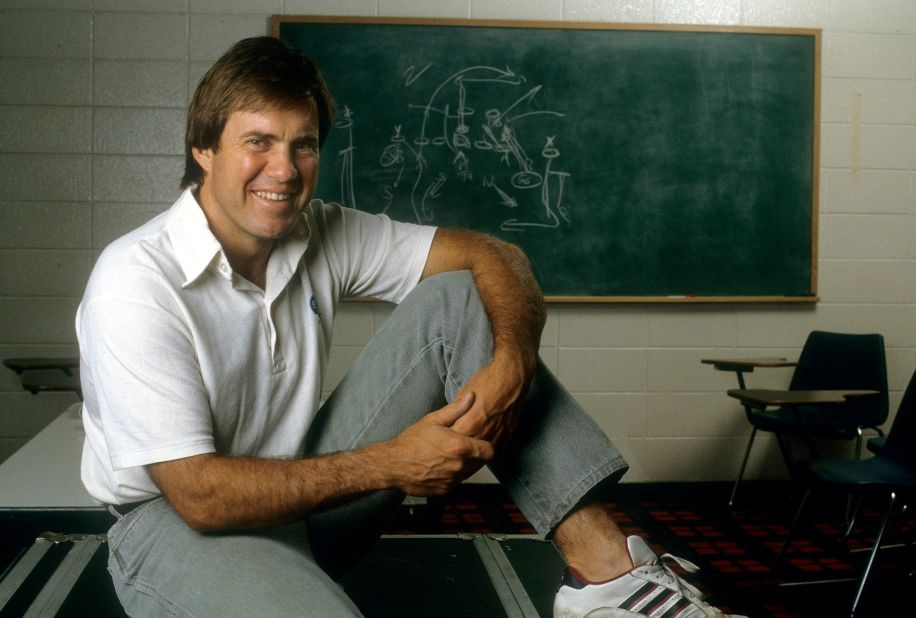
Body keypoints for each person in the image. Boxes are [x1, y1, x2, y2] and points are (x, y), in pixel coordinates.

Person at [76, 36, 743, 618]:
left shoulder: (318, 232)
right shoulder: (136, 281)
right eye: (258, 142)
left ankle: (607, 579)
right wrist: (391, 464)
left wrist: (513, 360)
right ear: (203, 149)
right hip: (179, 529)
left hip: (303, 508)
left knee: (460, 298)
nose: (282, 170)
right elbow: (199, 497)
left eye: (301, 145)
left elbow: (495, 256)